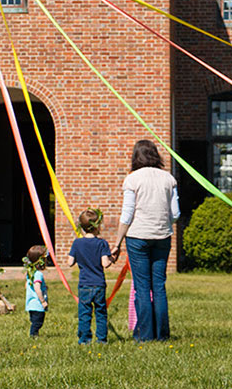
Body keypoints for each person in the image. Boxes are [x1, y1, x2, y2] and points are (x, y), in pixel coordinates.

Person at [110, 139, 178, 342]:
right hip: (162, 236)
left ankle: (144, 335)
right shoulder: (169, 178)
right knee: (158, 286)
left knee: (142, 287)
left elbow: (127, 214)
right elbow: (175, 213)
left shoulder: (132, 179)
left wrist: (117, 242)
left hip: (137, 237)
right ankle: (162, 334)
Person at [67, 210, 113, 344]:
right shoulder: (102, 243)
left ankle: (85, 339)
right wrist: (111, 259)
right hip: (99, 284)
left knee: (84, 313)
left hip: (84, 284)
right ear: (97, 226)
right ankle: (102, 339)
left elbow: (70, 262)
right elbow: (105, 263)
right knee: (100, 313)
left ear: (81, 227)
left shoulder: (77, 243)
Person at [24, 245, 48, 337]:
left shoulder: (30, 272)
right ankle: (33, 335)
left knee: (34, 321)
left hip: (30, 304)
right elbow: (37, 288)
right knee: (38, 323)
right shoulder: (38, 274)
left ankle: (34, 334)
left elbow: (27, 286)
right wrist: (43, 301)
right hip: (38, 304)